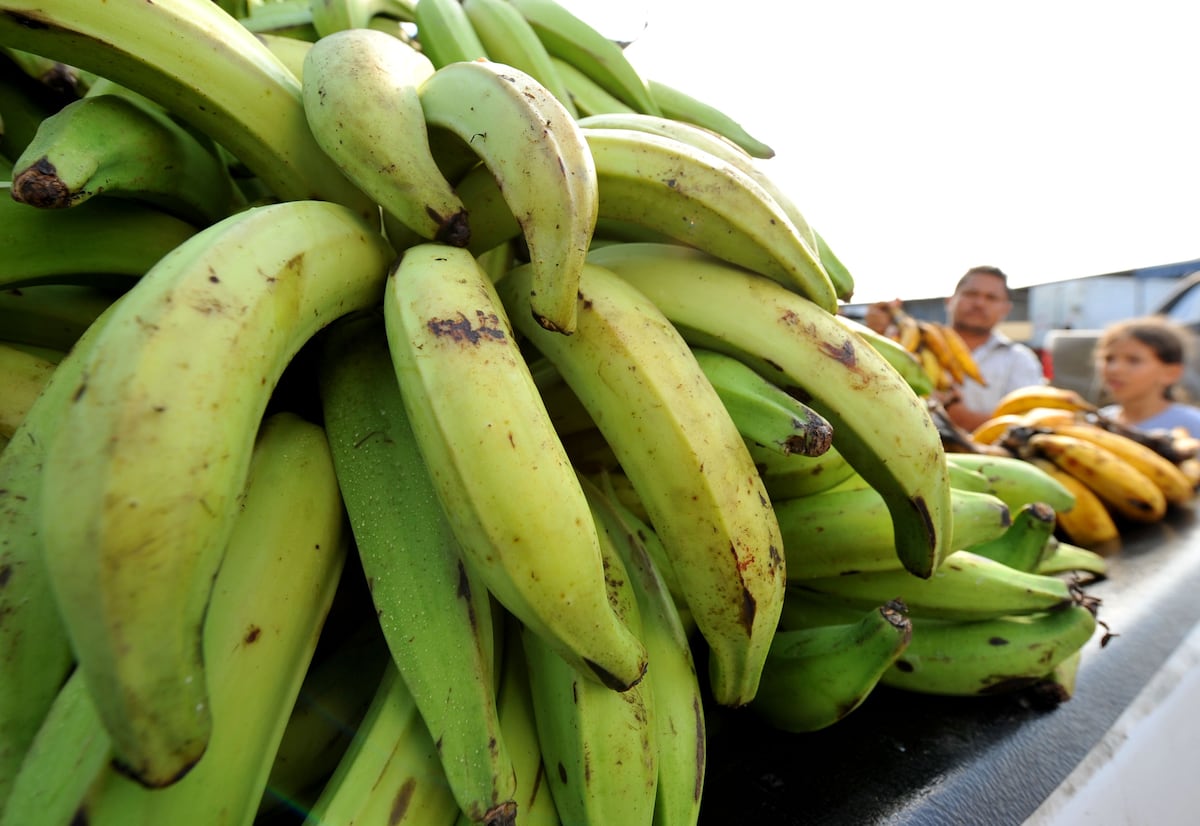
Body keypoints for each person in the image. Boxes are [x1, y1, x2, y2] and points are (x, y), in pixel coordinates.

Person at [934, 265, 1045, 431]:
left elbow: (1028, 425)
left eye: (991, 298)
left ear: (1005, 309)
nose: (979, 303)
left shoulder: (1020, 360)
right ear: (949, 300)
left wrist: (961, 417)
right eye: (971, 294)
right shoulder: (915, 347)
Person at [1095, 316, 1200, 437]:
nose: (1114, 369)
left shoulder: (1192, 426)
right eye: (1109, 359)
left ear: (1170, 373)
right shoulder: (1097, 421)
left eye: (1133, 360)